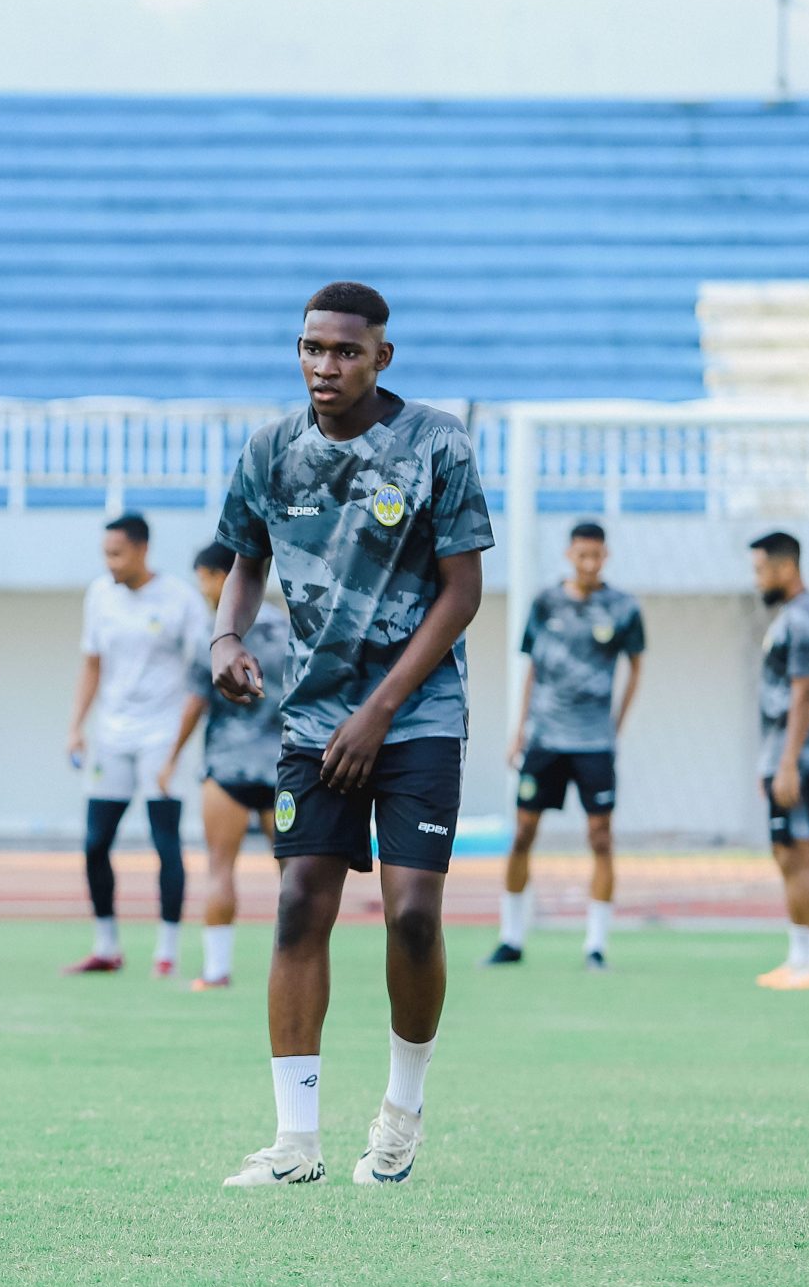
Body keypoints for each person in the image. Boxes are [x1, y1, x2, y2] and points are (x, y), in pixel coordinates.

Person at [207, 281, 492, 1188]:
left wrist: (380, 711)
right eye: (310, 349)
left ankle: (402, 1112)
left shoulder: (437, 442)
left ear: (381, 357)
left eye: (343, 351)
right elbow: (244, 562)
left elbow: (462, 592)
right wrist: (226, 634)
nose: (324, 366)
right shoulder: (269, 453)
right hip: (315, 720)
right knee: (298, 909)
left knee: (412, 918)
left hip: (417, 719)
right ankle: (295, 1141)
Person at [485, 522, 646, 970]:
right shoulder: (545, 602)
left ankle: (596, 945)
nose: (589, 563)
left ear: (606, 556)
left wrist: (617, 723)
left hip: (594, 743)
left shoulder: (623, 608)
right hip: (546, 739)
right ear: (569, 555)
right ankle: (511, 937)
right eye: (582, 555)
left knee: (600, 838)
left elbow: (636, 666)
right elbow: (532, 668)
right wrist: (519, 730)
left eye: (597, 556)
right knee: (522, 834)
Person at [64, 512, 208, 977]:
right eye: (105, 553)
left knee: (165, 842)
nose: (110, 563)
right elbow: (92, 664)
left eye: (117, 553)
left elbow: (202, 677)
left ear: (143, 550)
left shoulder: (181, 599)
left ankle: (166, 951)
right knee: (94, 843)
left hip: (160, 738)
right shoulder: (99, 596)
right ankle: (106, 945)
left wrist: (177, 748)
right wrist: (76, 726)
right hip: (111, 736)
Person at [158, 542, 286, 991]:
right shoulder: (286, 628)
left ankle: (216, 970)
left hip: (227, 767)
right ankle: (293, 967)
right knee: (294, 876)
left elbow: (196, 702)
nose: (203, 592)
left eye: (204, 582)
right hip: (282, 767)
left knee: (220, 867)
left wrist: (171, 758)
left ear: (219, 577)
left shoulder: (212, 635)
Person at [749, 531, 809, 990]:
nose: (758, 579)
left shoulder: (805, 617)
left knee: (802, 856)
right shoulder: (792, 615)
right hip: (784, 757)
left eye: (761, 569)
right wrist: (769, 763)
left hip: (805, 759)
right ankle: (800, 958)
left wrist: (787, 763)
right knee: (787, 855)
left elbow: (804, 692)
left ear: (786, 568)